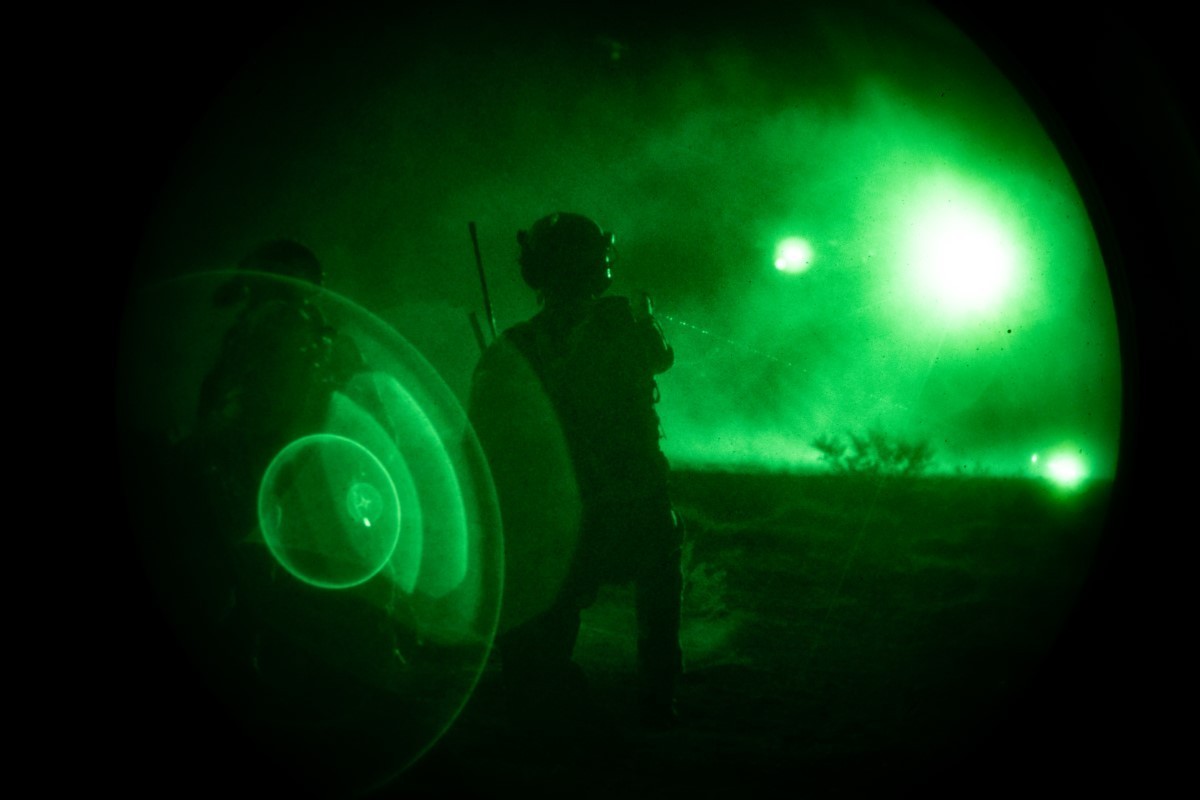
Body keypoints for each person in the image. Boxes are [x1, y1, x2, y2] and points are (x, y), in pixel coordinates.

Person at [468, 212, 684, 730]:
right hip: (625, 512)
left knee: (537, 582)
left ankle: (538, 685)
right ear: (598, 267)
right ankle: (657, 697)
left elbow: (482, 439)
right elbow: (659, 358)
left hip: (562, 518)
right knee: (660, 560)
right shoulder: (623, 331)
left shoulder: (514, 346)